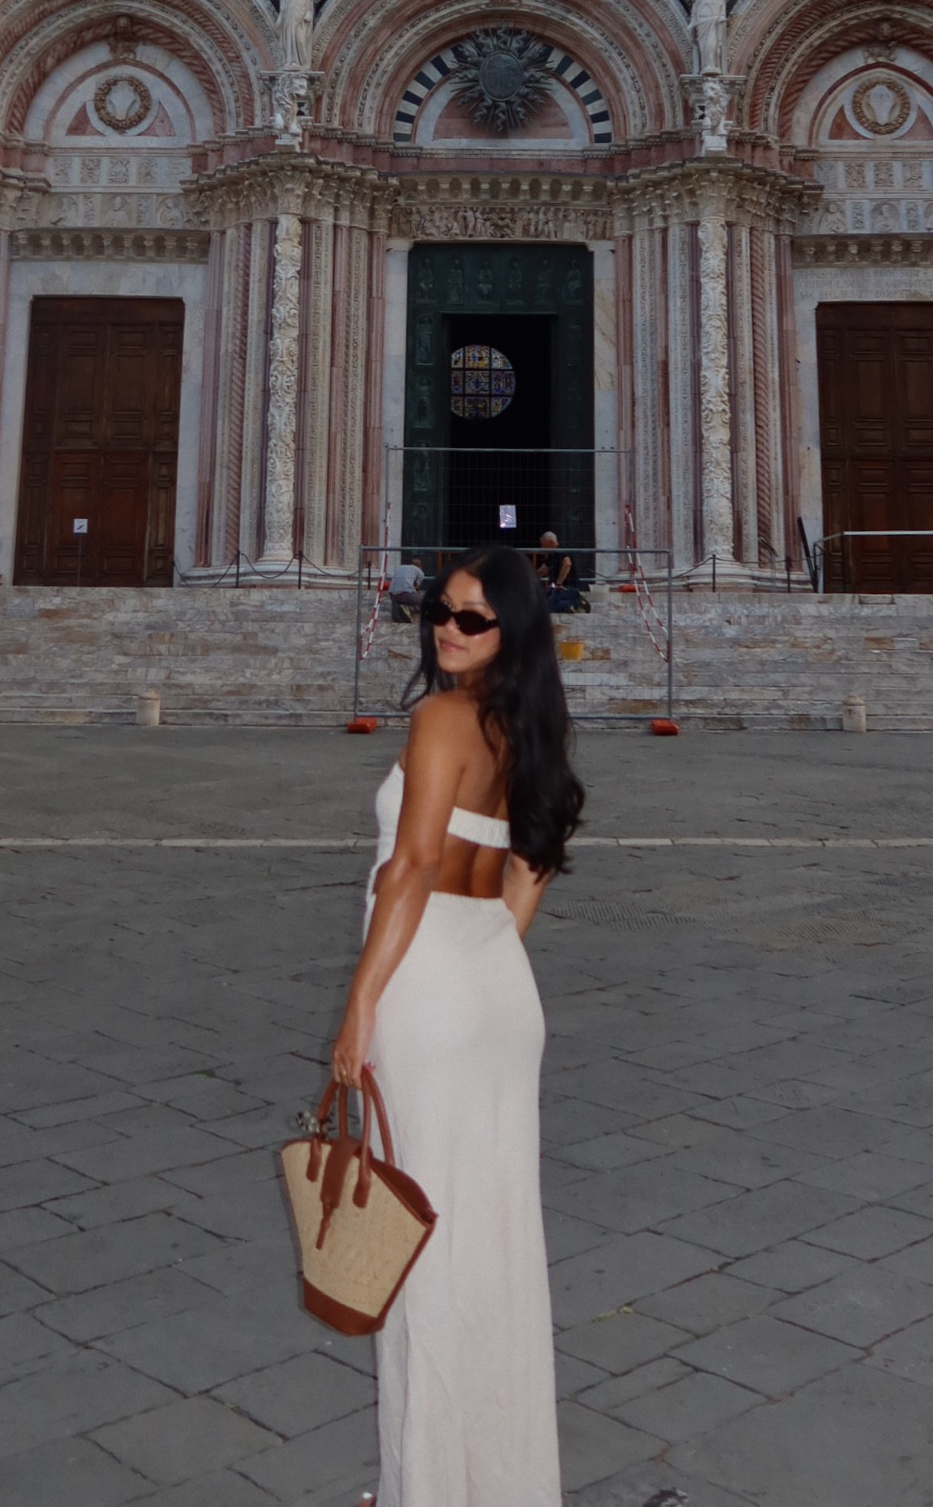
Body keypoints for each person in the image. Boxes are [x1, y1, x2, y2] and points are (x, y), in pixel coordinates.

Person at [331, 545, 581, 1507]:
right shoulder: (529, 726)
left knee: (418, 1246)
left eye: (472, 618)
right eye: (440, 608)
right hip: (496, 986)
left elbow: (412, 866)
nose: (446, 627)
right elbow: (532, 861)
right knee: (494, 1245)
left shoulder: (440, 717)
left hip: (427, 987)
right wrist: (489, 948)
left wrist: (360, 1006)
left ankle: (428, 1487)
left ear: (509, 630)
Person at [535, 529, 580, 612]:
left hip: (568, 587)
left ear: (551, 542)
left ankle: (576, 605)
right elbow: (543, 569)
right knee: (540, 599)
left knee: (549, 605)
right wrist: (531, 577)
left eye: (544, 545)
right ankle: (570, 605)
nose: (542, 548)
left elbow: (567, 564)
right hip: (556, 588)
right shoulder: (552, 555)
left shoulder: (562, 551)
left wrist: (558, 583)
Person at [387, 556, 423, 623]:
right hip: (405, 594)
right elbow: (416, 587)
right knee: (425, 601)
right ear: (420, 566)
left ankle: (398, 610)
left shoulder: (399, 568)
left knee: (398, 600)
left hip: (393, 595)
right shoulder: (419, 571)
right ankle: (410, 609)